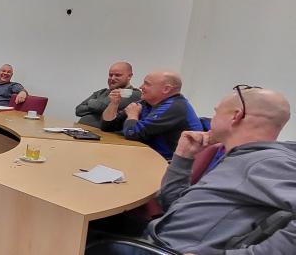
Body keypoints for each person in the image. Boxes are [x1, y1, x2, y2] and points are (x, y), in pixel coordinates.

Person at [93, 87, 295, 255]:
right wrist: (183, 157)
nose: (211, 118)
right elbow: (171, 203)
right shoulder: (240, 156)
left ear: (236, 116)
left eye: (216, 112)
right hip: (159, 236)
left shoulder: (266, 162)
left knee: (72, 235)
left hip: (162, 248)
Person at [101, 71, 204, 160]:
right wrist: (114, 103)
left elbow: (133, 133)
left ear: (166, 89)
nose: (141, 87)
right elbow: (108, 126)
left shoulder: (175, 107)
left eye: (147, 84)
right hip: (146, 154)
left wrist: (132, 116)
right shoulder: (146, 102)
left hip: (168, 162)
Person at [75, 61, 142, 128]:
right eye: (110, 75)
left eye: (117, 75)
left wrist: (90, 102)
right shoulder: (101, 92)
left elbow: (105, 107)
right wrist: (98, 106)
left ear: (129, 76)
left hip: (106, 135)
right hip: (82, 130)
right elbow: (78, 110)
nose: (112, 78)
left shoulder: (133, 94)